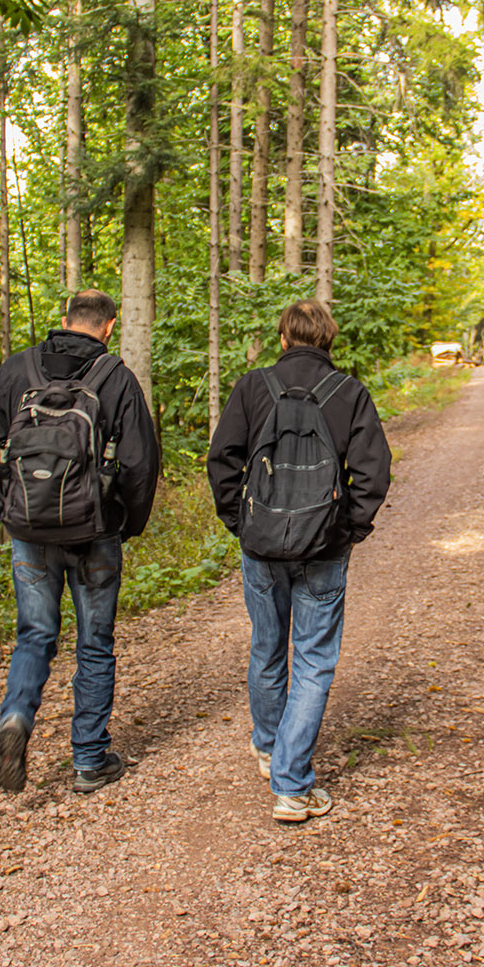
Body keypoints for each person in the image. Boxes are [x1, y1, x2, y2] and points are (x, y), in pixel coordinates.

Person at [207, 299, 391, 822]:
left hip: (261, 545)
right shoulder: (348, 392)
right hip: (324, 546)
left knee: (267, 649)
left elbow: (221, 460)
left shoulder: (253, 387)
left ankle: (270, 750)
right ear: (328, 340)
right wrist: (348, 531)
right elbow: (374, 471)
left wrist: (241, 523)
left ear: (284, 339)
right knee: (313, 661)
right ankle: (291, 785)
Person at [0, 289, 160, 795]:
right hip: (94, 530)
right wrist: (125, 523)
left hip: (29, 531)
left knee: (35, 635)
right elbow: (141, 463)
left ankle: (16, 718)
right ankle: (88, 761)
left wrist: (9, 511)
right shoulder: (115, 377)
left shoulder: (17, 370)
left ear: (64, 319)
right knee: (94, 643)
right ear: (109, 326)